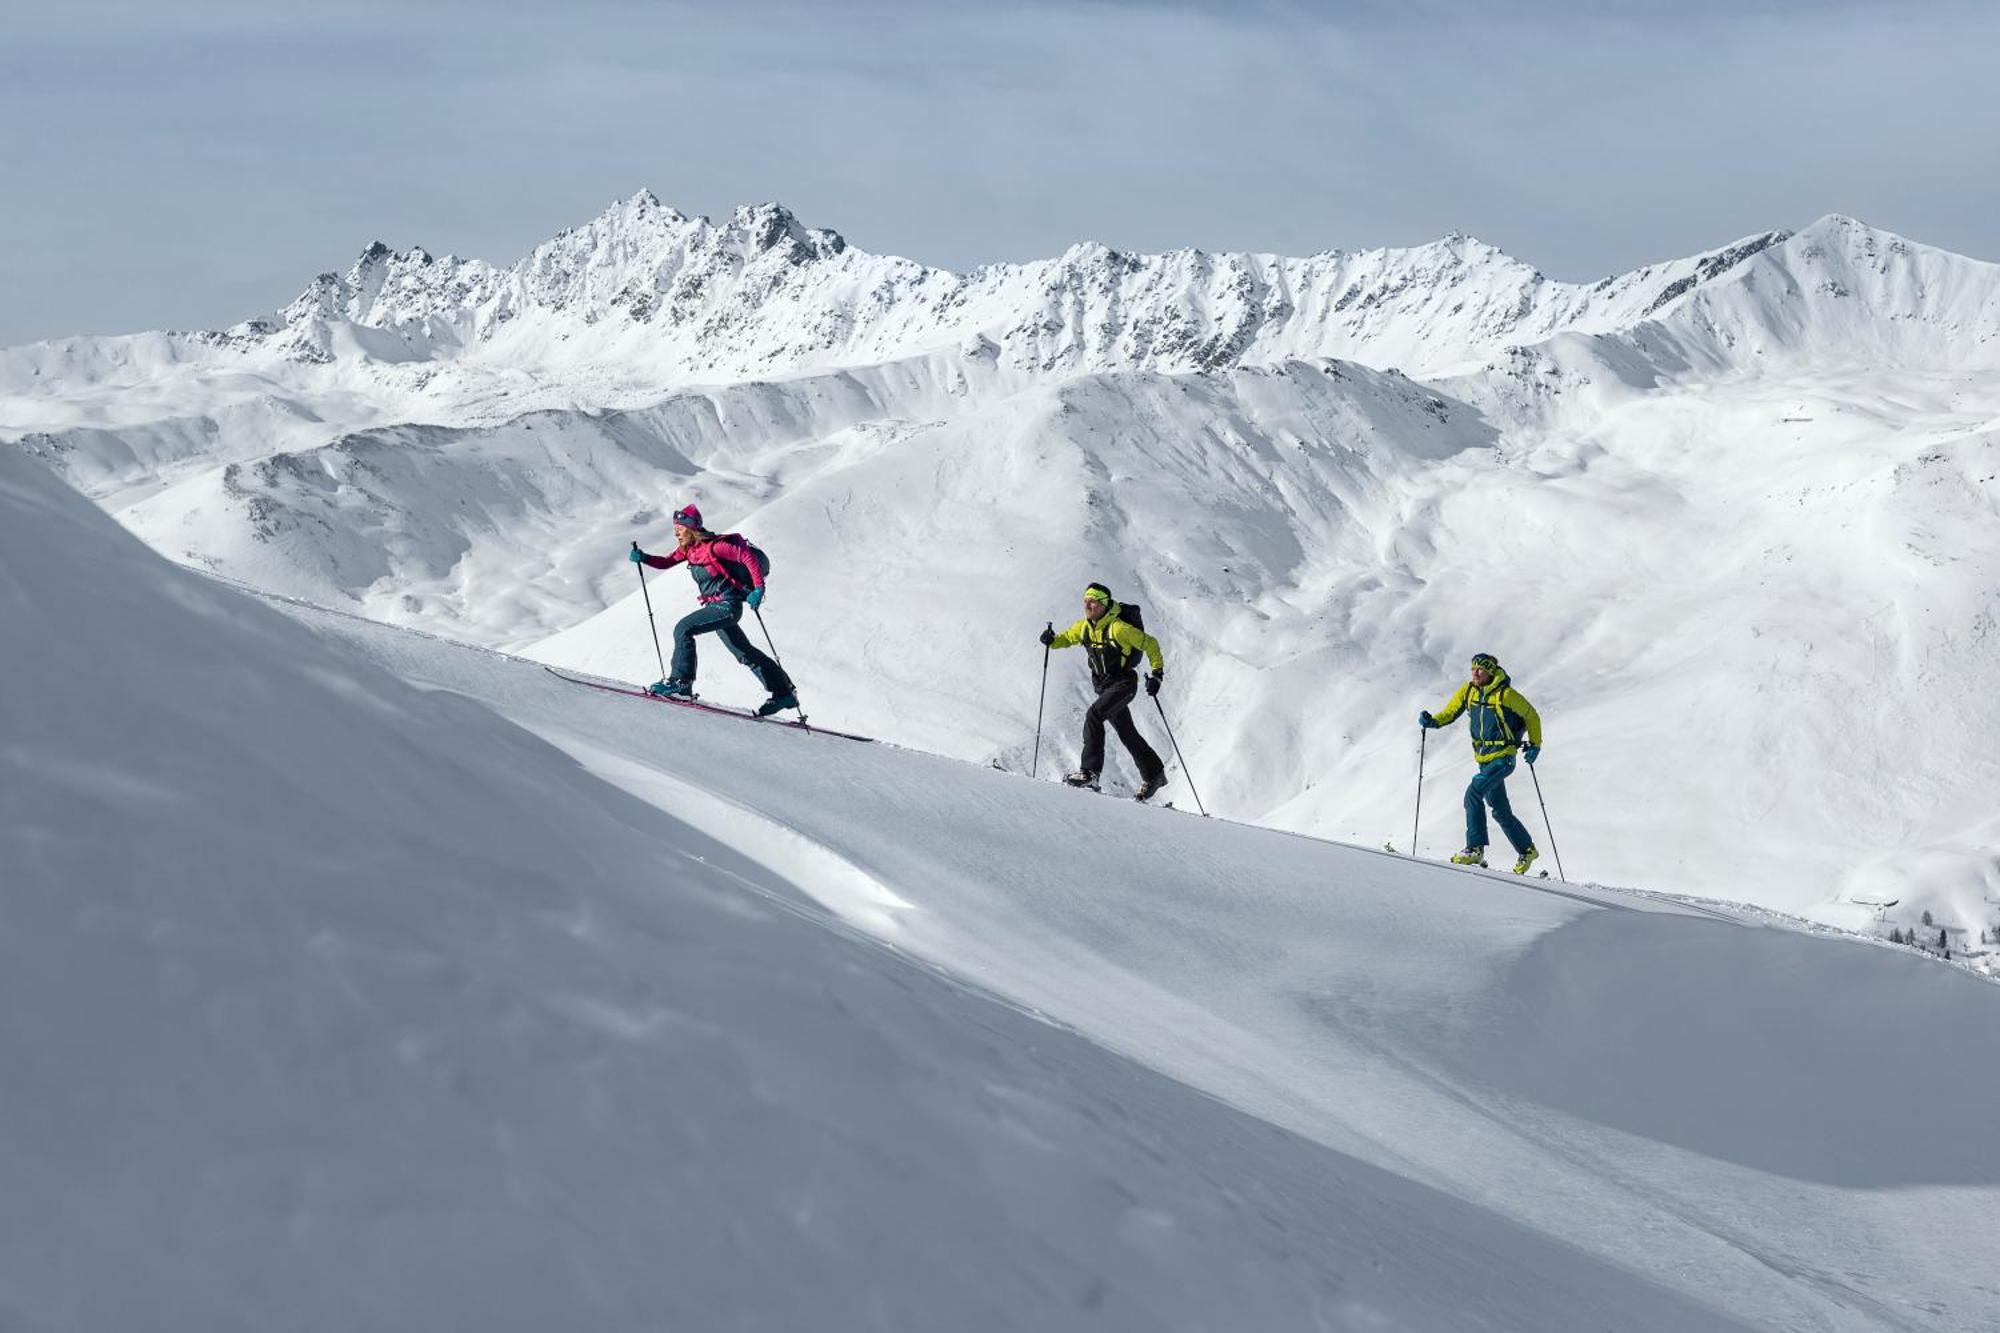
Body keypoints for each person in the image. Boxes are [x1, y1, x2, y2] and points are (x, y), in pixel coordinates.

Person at [629, 504, 797, 716]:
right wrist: (644, 558)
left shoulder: (715, 547)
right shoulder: (688, 550)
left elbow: (747, 557)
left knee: (684, 628)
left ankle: (681, 682)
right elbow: (666, 562)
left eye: (679, 529)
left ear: (691, 528)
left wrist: (758, 590)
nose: (675, 533)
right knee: (743, 651)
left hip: (727, 606)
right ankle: (783, 693)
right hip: (716, 606)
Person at [1040, 582, 1168, 800]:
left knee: (1094, 715)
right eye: (1086, 601)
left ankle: (1090, 773)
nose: (1088, 605)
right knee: (1127, 733)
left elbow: (1150, 644)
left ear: (1104, 604)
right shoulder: (1084, 627)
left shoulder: (1118, 628)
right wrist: (1051, 641)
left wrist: (1157, 675)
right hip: (1105, 687)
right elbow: (1066, 639)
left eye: (1093, 601)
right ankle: (1154, 774)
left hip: (1124, 684)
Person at [1419, 652, 1543, 873]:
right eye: (1474, 668)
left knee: (1473, 793)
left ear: (1491, 672)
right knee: (1500, 812)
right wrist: (1433, 722)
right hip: (1484, 759)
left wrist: (1535, 745)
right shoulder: (1468, 692)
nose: (1476, 672)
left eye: (1481, 669)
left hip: (1503, 758)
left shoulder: (1506, 695)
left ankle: (1475, 848)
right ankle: (1527, 850)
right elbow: (1450, 713)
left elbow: (1531, 715)